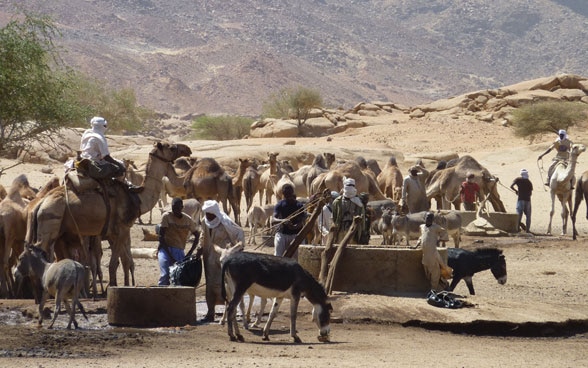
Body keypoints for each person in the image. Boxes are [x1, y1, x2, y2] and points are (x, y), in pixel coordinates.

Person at [197, 200, 245, 322]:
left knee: (225, 285)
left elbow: (239, 232)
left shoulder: (225, 222)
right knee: (210, 284)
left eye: (209, 214)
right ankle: (210, 312)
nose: (207, 216)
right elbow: (203, 235)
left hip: (223, 257)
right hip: (209, 258)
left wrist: (237, 247)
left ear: (214, 213)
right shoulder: (204, 222)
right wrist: (200, 247)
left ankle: (230, 311)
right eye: (206, 213)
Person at [79, 116, 143, 193]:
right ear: (102, 126)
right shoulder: (99, 138)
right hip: (94, 163)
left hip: (83, 160)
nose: (106, 127)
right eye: (105, 126)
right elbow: (106, 157)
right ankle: (126, 186)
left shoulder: (87, 133)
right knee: (119, 168)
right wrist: (120, 166)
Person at [157, 198, 200, 286]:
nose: (175, 210)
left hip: (179, 250)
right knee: (165, 275)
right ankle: (161, 296)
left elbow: (197, 235)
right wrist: (170, 256)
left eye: (177, 208)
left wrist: (190, 253)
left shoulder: (187, 220)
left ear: (182, 207)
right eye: (173, 208)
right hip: (165, 249)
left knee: (178, 277)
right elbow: (161, 237)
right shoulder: (166, 216)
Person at [271, 184, 307, 259]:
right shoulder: (279, 205)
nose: (288, 197)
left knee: (297, 258)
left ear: (292, 193)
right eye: (286, 194)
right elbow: (273, 220)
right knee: (278, 257)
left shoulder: (299, 205)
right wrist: (283, 221)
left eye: (290, 194)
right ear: (283, 194)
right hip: (282, 234)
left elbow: (302, 221)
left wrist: (295, 227)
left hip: (295, 235)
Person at [419, 212, 451, 291]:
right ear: (425, 218)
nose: (428, 219)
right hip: (425, 254)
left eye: (430, 218)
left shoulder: (436, 227)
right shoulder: (422, 227)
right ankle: (442, 285)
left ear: (433, 220)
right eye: (427, 217)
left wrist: (440, 239)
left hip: (432, 253)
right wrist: (418, 244)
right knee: (427, 272)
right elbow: (421, 236)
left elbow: (444, 232)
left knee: (435, 272)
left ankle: (434, 290)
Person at [331, 177, 366, 244]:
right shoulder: (337, 202)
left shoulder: (359, 203)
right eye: (348, 186)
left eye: (351, 186)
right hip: (340, 229)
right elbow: (334, 217)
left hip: (354, 230)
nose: (350, 188)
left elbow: (363, 219)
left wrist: (362, 232)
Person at [510, 168, 533, 233]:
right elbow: (530, 193)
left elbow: (511, 186)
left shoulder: (518, 179)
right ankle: (527, 230)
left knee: (519, 215)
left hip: (520, 199)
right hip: (528, 200)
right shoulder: (529, 182)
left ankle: (517, 229)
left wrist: (516, 191)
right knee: (528, 215)